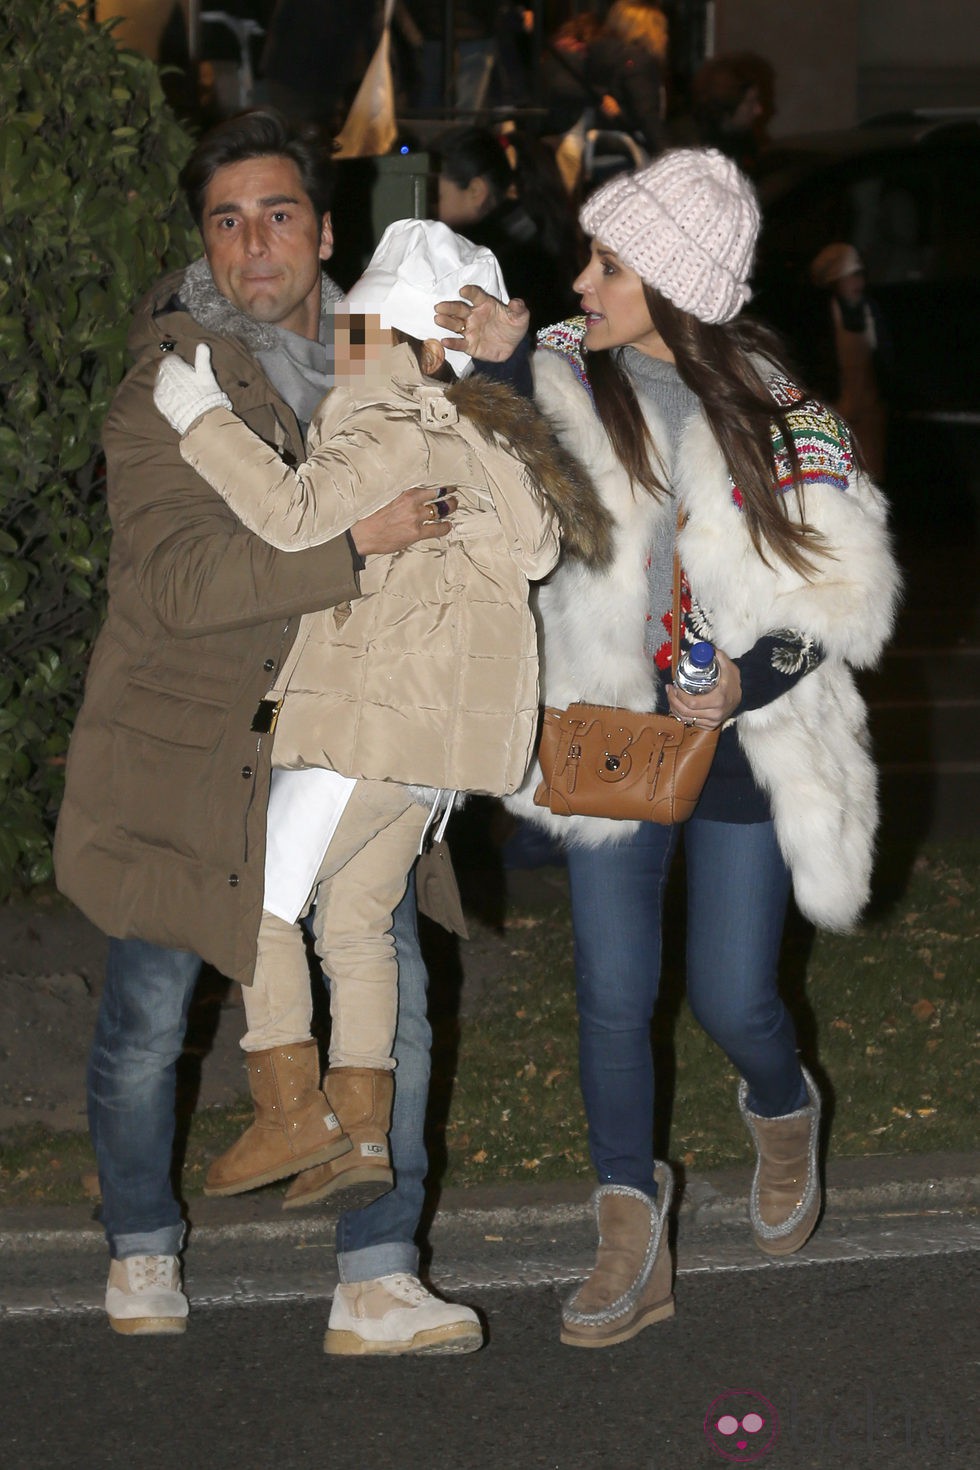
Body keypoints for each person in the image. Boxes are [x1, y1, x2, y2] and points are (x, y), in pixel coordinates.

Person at [435, 148, 901, 1348]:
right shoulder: (559, 378)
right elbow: (480, 441)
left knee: (736, 995)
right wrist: (491, 352)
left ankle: (783, 1103)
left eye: (610, 262)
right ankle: (625, 1230)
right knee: (610, 993)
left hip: (745, 741)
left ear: (679, 286)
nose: (581, 280)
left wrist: (747, 679)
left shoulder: (784, 420)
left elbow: (843, 601)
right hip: (609, 737)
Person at [52, 108, 497, 1356]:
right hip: (194, 739)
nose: (255, 244)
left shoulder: (386, 349)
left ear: (325, 227)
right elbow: (180, 586)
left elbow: (511, 461)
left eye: (279, 213)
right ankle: (141, 1239)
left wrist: (502, 359)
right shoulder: (171, 383)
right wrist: (355, 547)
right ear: (202, 237)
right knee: (152, 1012)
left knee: (389, 994)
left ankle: (375, 1276)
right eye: (226, 219)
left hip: (354, 733)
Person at [149, 219, 593, 1234]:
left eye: (357, 328)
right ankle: (357, 1135)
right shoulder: (483, 431)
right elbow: (532, 554)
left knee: (249, 893)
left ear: (392, 334)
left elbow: (295, 518)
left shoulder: (387, 416)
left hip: (372, 722)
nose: (341, 344)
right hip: (436, 754)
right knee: (351, 928)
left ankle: (288, 1112)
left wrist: (199, 417)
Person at [809, 242, 889, 482]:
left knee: (872, 474)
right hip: (837, 408)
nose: (858, 283)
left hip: (869, 408)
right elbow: (820, 365)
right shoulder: (823, 317)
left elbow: (884, 357)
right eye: (850, 277)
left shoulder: (869, 311)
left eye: (859, 276)